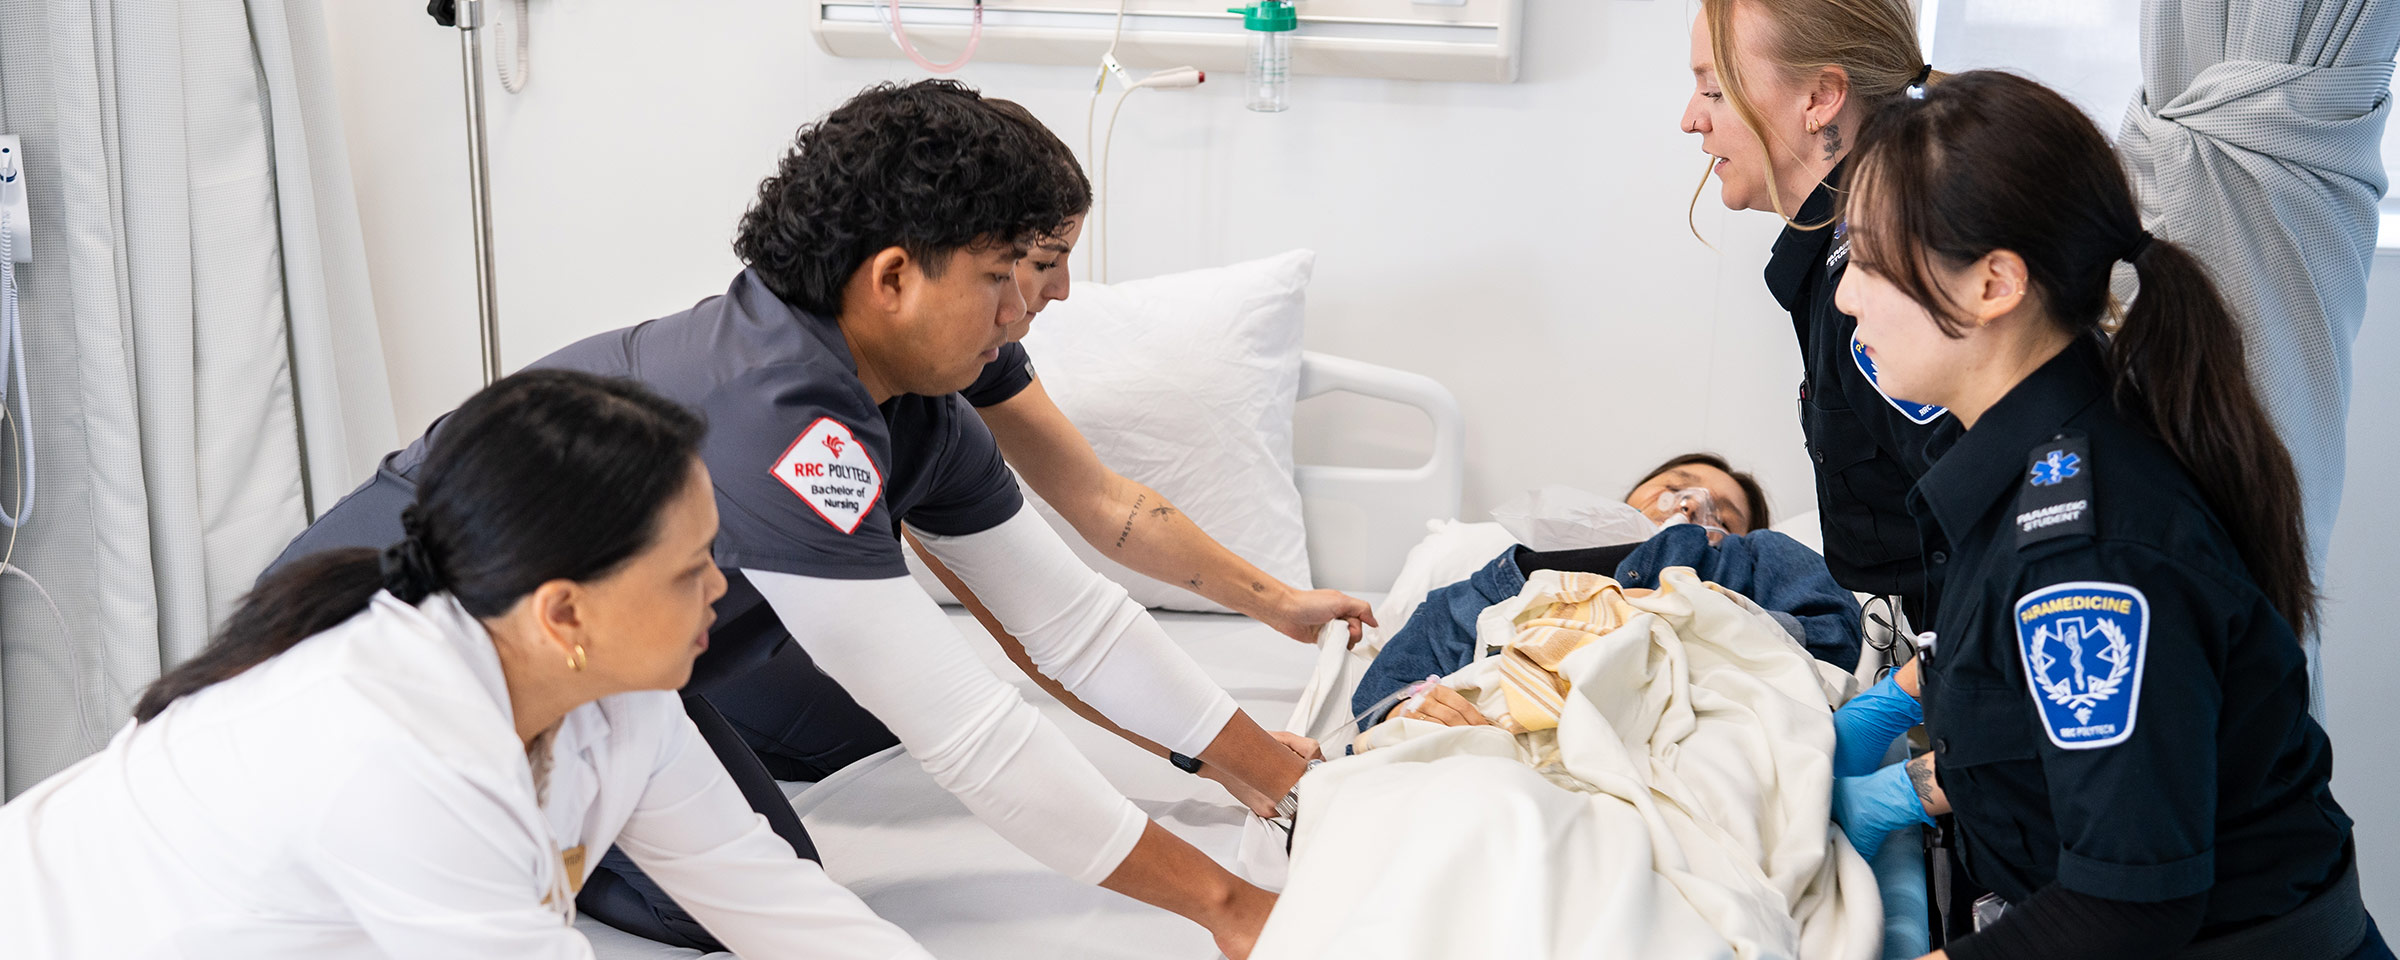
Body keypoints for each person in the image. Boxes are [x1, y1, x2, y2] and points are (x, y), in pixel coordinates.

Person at [266, 81, 1298, 957]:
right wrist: (1227, 908)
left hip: (606, 624)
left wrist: (1287, 781)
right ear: (894, 277)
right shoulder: (782, 417)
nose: (1053, 295)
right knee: (744, 880)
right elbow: (969, 732)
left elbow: (1071, 619)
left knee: (849, 724)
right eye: (1014, 270)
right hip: (432, 631)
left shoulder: (916, 395)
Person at [0, 370, 933, 959]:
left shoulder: (615, 695)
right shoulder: (387, 746)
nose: (720, 593)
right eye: (691, 570)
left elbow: (766, 895)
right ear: (565, 608)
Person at [1823, 70, 2382, 960]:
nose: (1848, 296)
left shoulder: (2084, 549)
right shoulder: (2038, 465)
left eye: (1866, 259)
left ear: (1993, 284)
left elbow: (2127, 903)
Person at [951, 99, 1375, 646]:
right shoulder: (874, 389)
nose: (1062, 290)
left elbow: (1103, 501)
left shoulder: (984, 361)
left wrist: (1282, 602)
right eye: (1043, 262)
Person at [1679, 0, 1949, 625]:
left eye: (1715, 90)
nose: (1691, 119)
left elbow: (2001, 527)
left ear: (1821, 98)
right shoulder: (1839, 245)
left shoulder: (1885, 274)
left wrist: (1913, 691)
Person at [1352, 451, 1868, 729]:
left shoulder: (1757, 558)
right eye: (1674, 484)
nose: (1689, 503)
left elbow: (1831, 646)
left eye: (1722, 513)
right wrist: (1407, 713)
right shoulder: (1486, 587)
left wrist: (1684, 612)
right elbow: (1373, 708)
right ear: (1630, 497)